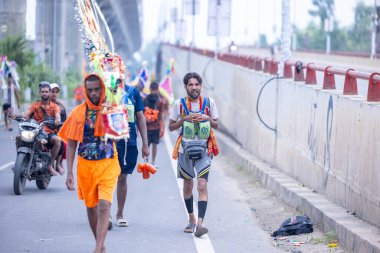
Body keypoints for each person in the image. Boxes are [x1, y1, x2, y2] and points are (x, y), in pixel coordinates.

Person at [58, 74, 120, 253]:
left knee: (104, 205)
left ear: (102, 89)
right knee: (91, 208)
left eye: (97, 89)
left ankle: (98, 248)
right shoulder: (78, 112)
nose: (94, 93)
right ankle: (100, 245)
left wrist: (110, 112)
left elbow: (121, 134)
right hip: (85, 166)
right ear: (86, 90)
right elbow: (71, 144)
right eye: (90, 89)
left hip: (108, 163)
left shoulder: (111, 108)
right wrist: (69, 172)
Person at [169, 72, 219, 237]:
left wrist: (207, 118)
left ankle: (200, 223)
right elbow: (171, 127)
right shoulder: (179, 104)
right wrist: (184, 119)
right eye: (190, 85)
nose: (194, 87)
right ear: (185, 87)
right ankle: (191, 219)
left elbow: (216, 125)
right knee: (188, 185)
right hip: (185, 151)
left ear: (200, 86)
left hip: (204, 151)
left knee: (202, 184)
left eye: (196, 84)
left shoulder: (209, 103)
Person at [113, 81, 150, 228]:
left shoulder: (133, 92)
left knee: (122, 177)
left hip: (129, 142)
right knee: (107, 178)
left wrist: (145, 144)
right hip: (109, 142)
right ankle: (105, 213)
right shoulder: (104, 90)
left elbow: (140, 118)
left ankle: (120, 213)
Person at [20, 81, 61, 176]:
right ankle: (21, 160)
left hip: (49, 132)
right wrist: (20, 116)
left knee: (58, 140)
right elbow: (27, 114)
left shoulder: (55, 107)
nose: (45, 93)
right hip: (35, 131)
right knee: (19, 137)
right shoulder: (35, 105)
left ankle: (50, 165)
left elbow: (58, 116)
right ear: (40, 93)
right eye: (43, 92)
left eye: (46, 92)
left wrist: (57, 120)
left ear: (50, 93)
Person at [143, 81, 164, 167]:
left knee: (146, 145)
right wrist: (161, 127)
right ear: (157, 89)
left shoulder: (145, 99)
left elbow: (141, 113)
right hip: (156, 126)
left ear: (150, 89)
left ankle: (146, 162)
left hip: (147, 127)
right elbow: (161, 115)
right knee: (154, 145)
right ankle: (153, 162)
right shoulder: (160, 101)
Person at [50, 83, 67, 174]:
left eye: (56, 92)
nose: (54, 94)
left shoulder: (61, 106)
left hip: (56, 130)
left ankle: (58, 164)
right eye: (52, 91)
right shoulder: (42, 103)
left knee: (62, 141)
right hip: (43, 130)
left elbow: (65, 119)